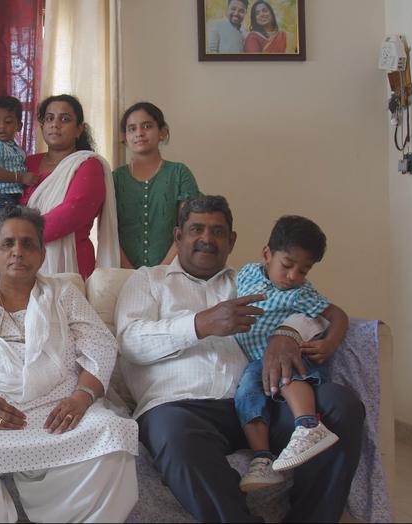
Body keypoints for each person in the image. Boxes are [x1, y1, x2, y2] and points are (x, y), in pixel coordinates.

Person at [114, 195, 365, 522]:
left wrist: (287, 333)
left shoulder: (251, 280)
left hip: (260, 401)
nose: (207, 238)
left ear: (231, 241)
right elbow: (130, 341)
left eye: (218, 231)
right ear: (178, 236)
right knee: (175, 437)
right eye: (197, 229)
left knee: (341, 405)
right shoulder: (148, 280)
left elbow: (312, 312)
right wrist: (200, 324)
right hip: (178, 406)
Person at [0, 206, 138, 523]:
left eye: (28, 244)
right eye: (7, 244)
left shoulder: (63, 295)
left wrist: (82, 397)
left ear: (41, 254)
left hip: (57, 404)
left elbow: (100, 343)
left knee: (113, 435)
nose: (17, 252)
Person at [232, 215, 350, 492]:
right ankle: (262, 460)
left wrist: (329, 344)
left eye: (303, 271)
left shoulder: (301, 293)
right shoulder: (247, 273)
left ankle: (308, 425)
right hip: (256, 365)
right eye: (287, 265)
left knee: (287, 371)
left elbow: (338, 315)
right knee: (245, 395)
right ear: (267, 254)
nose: (293, 276)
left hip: (291, 356)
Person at [19, 94, 120, 280]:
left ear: (78, 129)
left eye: (64, 119)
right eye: (49, 118)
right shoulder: (26, 164)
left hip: (71, 265)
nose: (55, 124)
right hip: (20, 261)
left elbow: (72, 214)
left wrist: (16, 236)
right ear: (42, 126)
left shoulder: (88, 164)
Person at [113, 102, 200, 269]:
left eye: (147, 126)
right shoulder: (114, 179)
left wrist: (163, 270)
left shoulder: (179, 173)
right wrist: (132, 274)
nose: (139, 133)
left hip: (174, 271)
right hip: (123, 274)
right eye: (132, 128)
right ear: (124, 136)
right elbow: (109, 233)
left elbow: (189, 227)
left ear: (162, 132)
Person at [0, 95, 37, 223]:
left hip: (12, 198)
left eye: (8, 122)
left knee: (20, 223)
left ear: (19, 126)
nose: (2, 127)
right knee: (10, 224)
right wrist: (21, 177)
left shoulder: (16, 149)